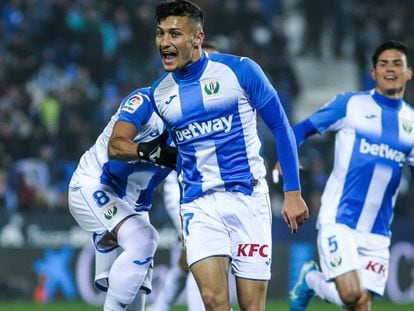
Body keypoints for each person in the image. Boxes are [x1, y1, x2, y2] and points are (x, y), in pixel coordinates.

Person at [150, 1, 309, 310]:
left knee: (252, 306)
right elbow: (163, 156)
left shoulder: (240, 70)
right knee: (213, 300)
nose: (165, 42)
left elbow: (281, 126)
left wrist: (293, 191)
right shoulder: (159, 94)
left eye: (174, 34)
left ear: (197, 38)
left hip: (247, 199)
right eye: (160, 34)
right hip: (199, 204)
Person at [289, 40, 414, 311]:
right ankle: (311, 279)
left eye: (397, 63)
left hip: (379, 231)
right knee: (349, 295)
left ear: (408, 73)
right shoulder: (351, 104)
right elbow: (301, 129)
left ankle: (313, 281)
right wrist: (287, 162)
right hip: (340, 219)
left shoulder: (412, 123)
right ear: (373, 73)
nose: (390, 69)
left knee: (360, 305)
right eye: (383, 64)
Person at [68, 87, 177, 311]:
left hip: (136, 205)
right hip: (95, 184)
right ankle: (106, 235)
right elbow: (115, 147)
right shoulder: (144, 101)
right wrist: (153, 152)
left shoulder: (196, 126)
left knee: (137, 294)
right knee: (144, 239)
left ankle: (107, 238)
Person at [148, 41, 219, 311]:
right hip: (180, 186)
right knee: (200, 250)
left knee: (195, 251)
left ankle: (161, 305)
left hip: (214, 188)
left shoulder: (225, 98)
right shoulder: (176, 97)